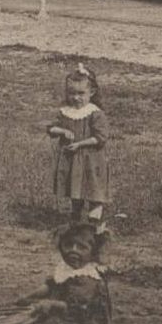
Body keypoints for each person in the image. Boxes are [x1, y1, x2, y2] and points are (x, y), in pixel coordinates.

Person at [47, 64, 110, 246]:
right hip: (73, 161)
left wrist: (80, 144)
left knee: (94, 192)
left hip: (92, 161)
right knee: (76, 193)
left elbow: (100, 138)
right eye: (72, 93)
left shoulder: (94, 113)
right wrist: (61, 131)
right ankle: (76, 227)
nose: (76, 98)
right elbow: (51, 128)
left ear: (91, 92)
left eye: (81, 93)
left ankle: (96, 228)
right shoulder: (66, 112)